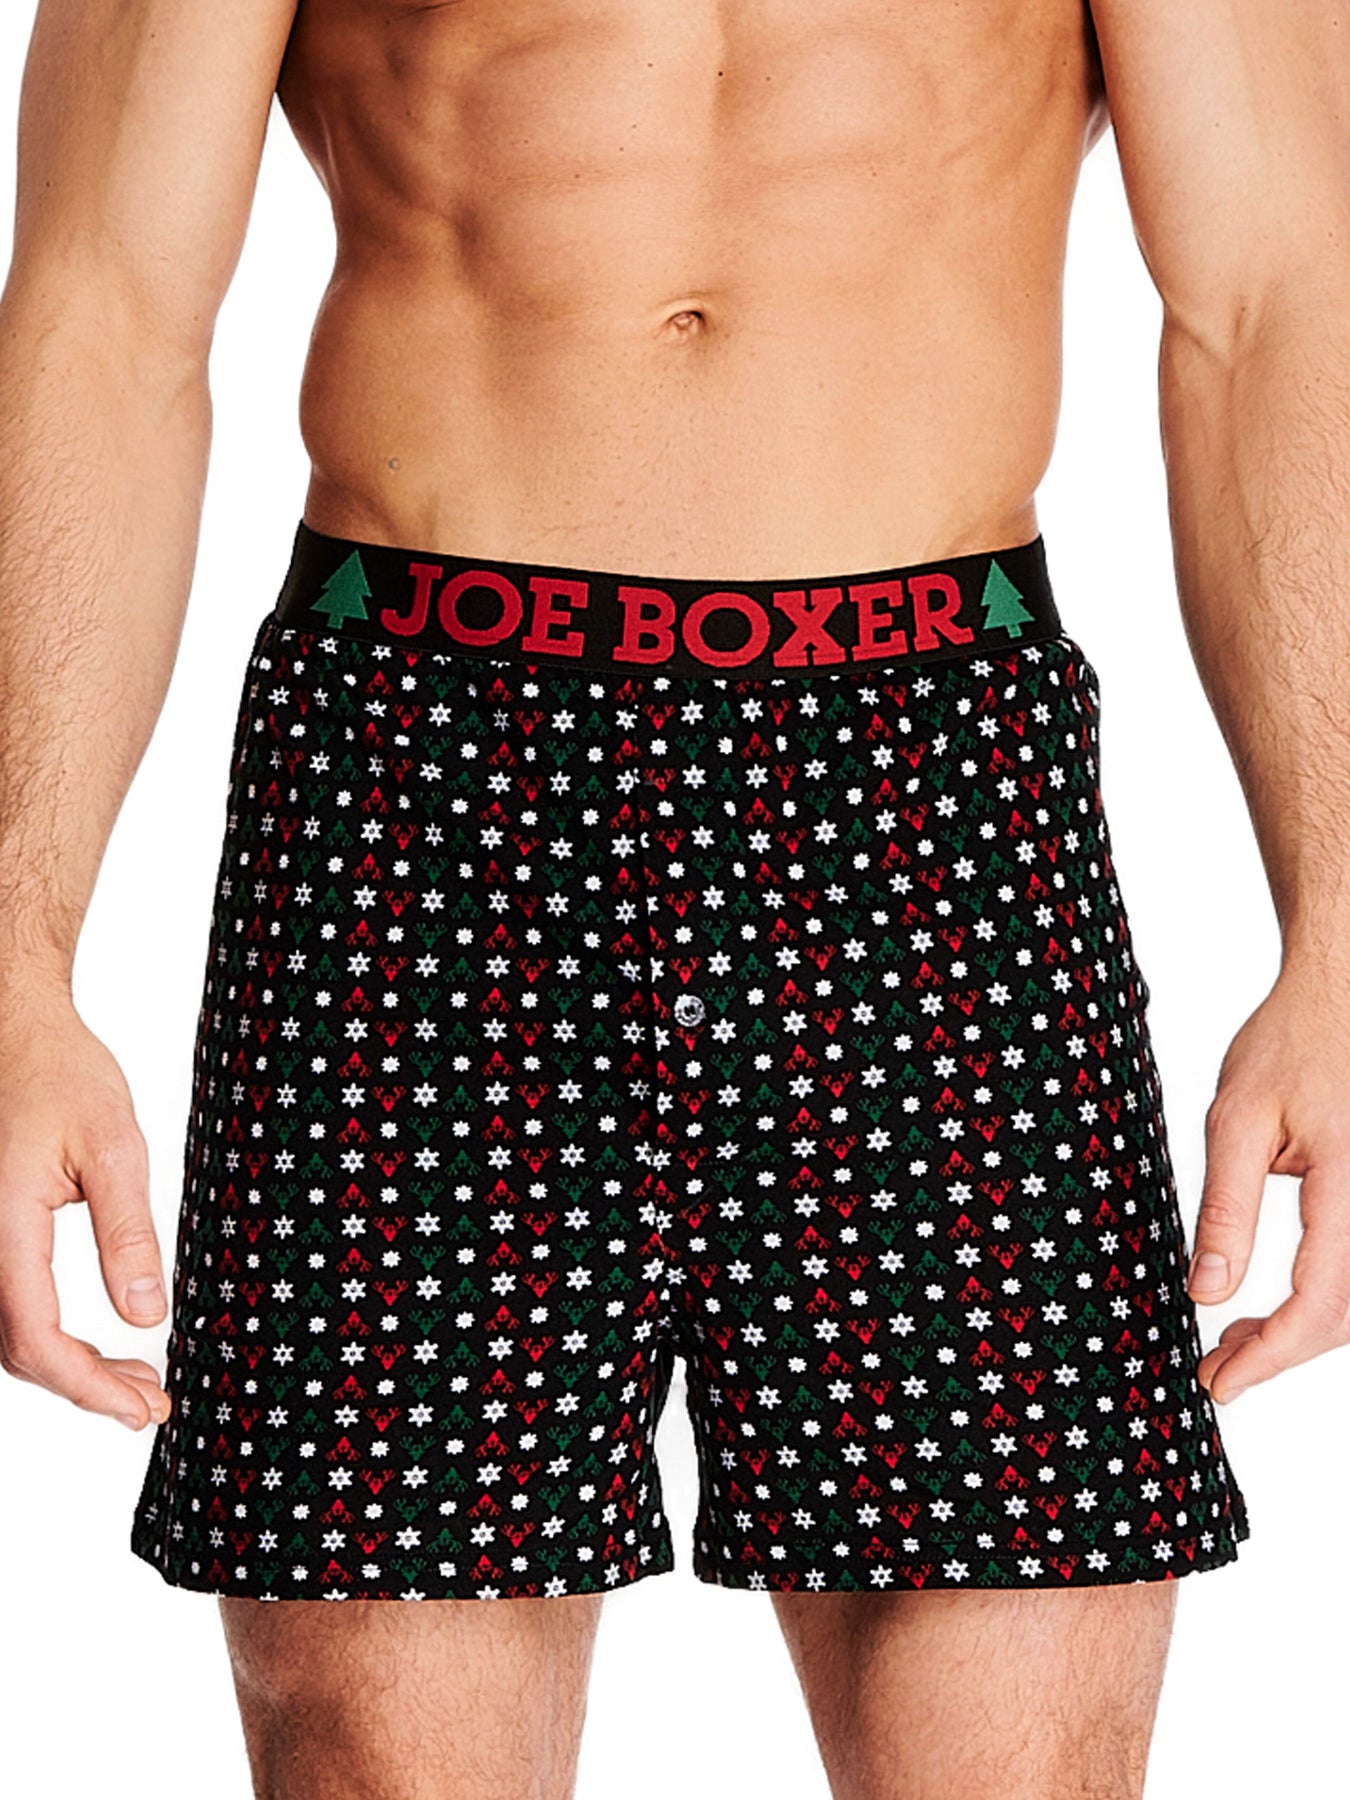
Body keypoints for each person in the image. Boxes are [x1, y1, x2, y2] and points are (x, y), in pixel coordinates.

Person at [0, 0, 1346, 1793]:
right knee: (375, 1755)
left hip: (926, 794)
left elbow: (1270, 299)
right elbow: (103, 308)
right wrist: (13, 956)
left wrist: (1340, 935)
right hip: (423, 786)